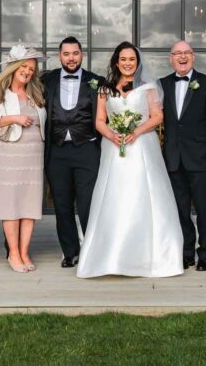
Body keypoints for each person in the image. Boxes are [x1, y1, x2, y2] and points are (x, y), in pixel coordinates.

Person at [77, 42, 183, 278]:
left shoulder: (148, 87)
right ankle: (109, 256)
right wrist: (113, 136)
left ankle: (150, 256)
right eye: (123, 59)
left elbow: (157, 117)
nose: (127, 63)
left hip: (142, 146)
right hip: (114, 148)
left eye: (131, 59)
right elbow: (99, 121)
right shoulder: (105, 89)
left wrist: (136, 131)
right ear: (117, 62)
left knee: (143, 194)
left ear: (137, 62)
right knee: (114, 195)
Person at [0, 45, 46, 273]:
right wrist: (14, 118)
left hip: (33, 155)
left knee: (29, 204)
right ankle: (13, 254)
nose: (27, 72)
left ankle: (25, 252)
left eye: (31, 69)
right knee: (10, 205)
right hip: (8, 153)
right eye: (24, 67)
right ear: (14, 67)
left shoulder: (35, 92)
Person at [42, 36, 105, 268]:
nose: (71, 58)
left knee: (88, 204)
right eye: (66, 54)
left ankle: (91, 251)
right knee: (62, 204)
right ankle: (70, 253)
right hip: (57, 152)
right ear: (60, 56)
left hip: (87, 150)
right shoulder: (46, 80)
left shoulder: (96, 81)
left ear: (82, 55)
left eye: (75, 53)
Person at [160, 40, 206, 271]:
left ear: (193, 56)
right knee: (180, 208)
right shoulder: (163, 84)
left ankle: (204, 253)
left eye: (186, 53)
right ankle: (187, 252)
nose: (182, 57)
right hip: (173, 158)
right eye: (177, 53)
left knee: (203, 208)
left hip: (200, 157)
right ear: (171, 58)